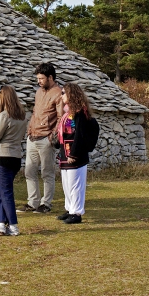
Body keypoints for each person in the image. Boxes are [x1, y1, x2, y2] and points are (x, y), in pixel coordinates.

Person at [0, 86, 28, 236]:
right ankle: (1, 223)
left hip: (3, 155)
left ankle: (13, 225)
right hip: (15, 156)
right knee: (2, 190)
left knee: (6, 191)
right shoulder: (22, 116)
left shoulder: (4, 115)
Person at [22, 62, 62, 214]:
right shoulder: (39, 91)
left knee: (47, 172)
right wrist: (30, 129)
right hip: (32, 137)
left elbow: (60, 117)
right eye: (38, 78)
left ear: (50, 77)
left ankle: (46, 203)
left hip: (46, 139)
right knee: (29, 171)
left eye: (41, 78)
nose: (38, 81)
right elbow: (35, 112)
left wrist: (52, 136)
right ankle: (33, 202)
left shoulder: (58, 93)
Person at [56, 83, 96, 225]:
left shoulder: (80, 113)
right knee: (67, 184)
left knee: (76, 184)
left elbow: (80, 134)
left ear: (71, 94)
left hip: (75, 155)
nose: (61, 96)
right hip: (65, 153)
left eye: (63, 93)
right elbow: (63, 133)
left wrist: (74, 153)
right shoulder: (67, 113)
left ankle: (77, 212)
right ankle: (70, 209)